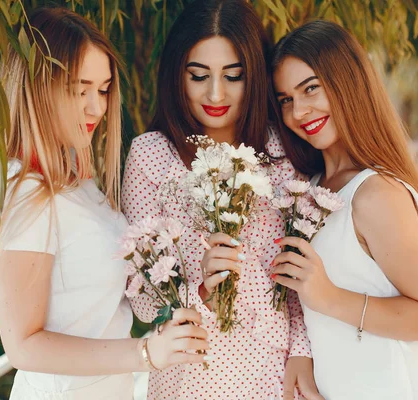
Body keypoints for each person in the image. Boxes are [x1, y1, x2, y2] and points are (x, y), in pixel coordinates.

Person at [0, 7, 209, 399]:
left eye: (102, 90)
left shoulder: (74, 180)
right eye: (78, 89)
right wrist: (147, 352)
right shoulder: (24, 193)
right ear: (35, 86)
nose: (97, 107)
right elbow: (23, 345)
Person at [122, 1, 321, 399]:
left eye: (234, 76)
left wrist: (301, 352)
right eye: (199, 76)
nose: (216, 93)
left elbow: (304, 274)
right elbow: (142, 304)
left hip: (275, 371)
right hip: (189, 376)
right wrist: (199, 287)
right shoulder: (151, 155)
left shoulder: (284, 150)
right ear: (177, 75)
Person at [271, 20, 418, 400]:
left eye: (311, 88)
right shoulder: (311, 189)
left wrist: (328, 297)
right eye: (285, 99)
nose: (299, 111)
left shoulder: (375, 194)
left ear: (348, 82)